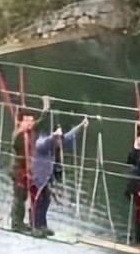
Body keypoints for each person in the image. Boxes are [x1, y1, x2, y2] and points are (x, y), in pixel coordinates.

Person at [29, 100, 89, 236]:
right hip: (38, 177)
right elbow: (50, 140)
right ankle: (35, 226)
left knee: (47, 200)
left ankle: (42, 225)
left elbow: (68, 136)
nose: (59, 142)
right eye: (57, 139)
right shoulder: (42, 143)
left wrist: (81, 126)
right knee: (38, 201)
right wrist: (55, 135)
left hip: (47, 177)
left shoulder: (56, 143)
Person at [10, 113, 38, 233]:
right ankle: (16, 224)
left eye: (32, 121)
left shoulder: (29, 134)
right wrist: (22, 129)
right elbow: (15, 142)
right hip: (18, 171)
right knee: (19, 198)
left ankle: (20, 222)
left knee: (23, 197)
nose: (30, 124)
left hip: (24, 170)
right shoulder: (19, 134)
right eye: (28, 121)